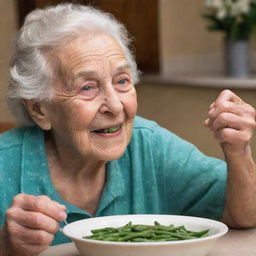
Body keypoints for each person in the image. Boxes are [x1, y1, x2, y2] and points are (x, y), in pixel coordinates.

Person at [0, 3, 256, 256]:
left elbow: (244, 215)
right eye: (87, 87)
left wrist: (239, 151)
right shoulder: (5, 164)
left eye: (122, 81)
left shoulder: (150, 145)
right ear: (39, 110)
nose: (114, 105)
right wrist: (6, 247)